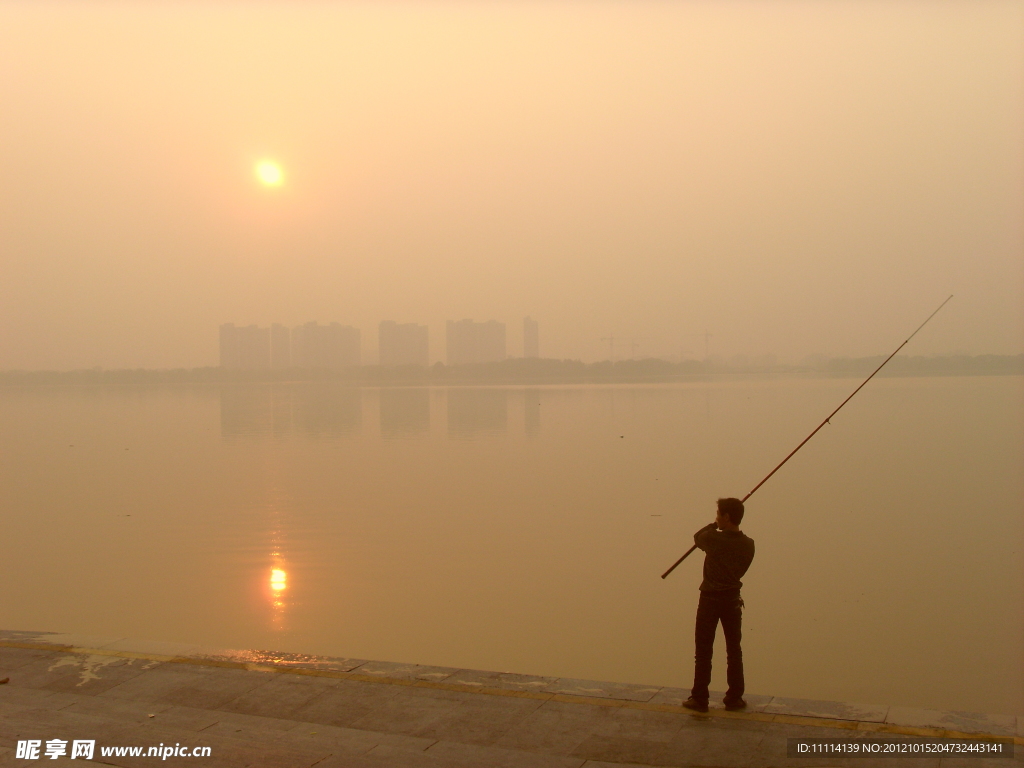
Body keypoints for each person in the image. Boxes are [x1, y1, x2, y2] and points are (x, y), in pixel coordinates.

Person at [682, 497, 755, 713]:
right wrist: (718, 526)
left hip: (710, 600)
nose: (716, 518)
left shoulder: (715, 539)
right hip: (732, 599)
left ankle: (700, 698)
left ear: (727, 517)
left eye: (718, 514)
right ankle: (734, 698)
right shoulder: (748, 544)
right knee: (734, 650)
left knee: (703, 651)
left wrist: (713, 526)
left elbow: (698, 537)